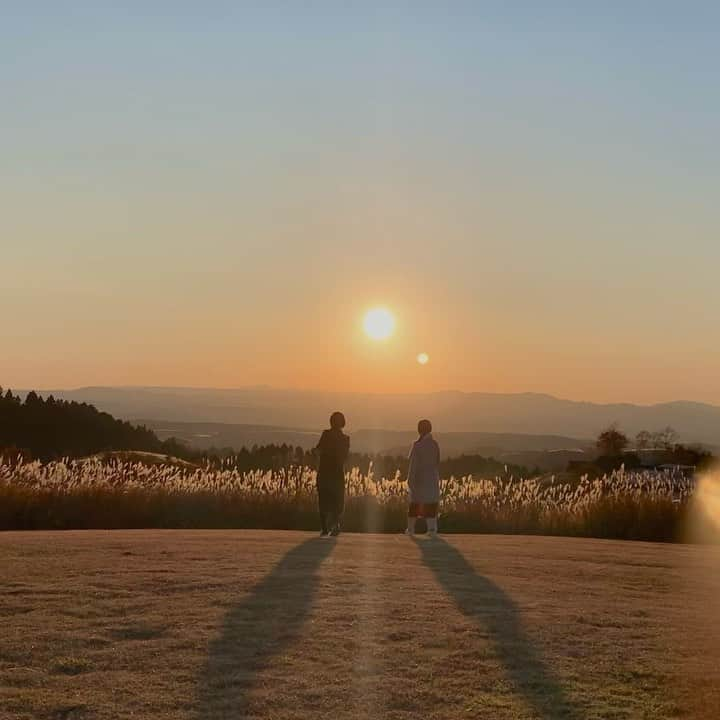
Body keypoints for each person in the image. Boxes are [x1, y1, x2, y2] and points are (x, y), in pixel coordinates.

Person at [316, 411, 350, 537]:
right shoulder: (345, 439)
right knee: (337, 500)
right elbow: (345, 457)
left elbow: (318, 449)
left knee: (323, 499)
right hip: (337, 473)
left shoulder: (325, 435)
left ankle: (324, 527)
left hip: (324, 471)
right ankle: (335, 525)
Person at [406, 419, 440, 536]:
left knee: (414, 504)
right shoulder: (435, 444)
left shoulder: (417, 445)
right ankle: (431, 529)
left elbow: (413, 465)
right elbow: (437, 462)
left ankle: (410, 529)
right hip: (432, 479)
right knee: (431, 504)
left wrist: (410, 480)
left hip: (419, 479)